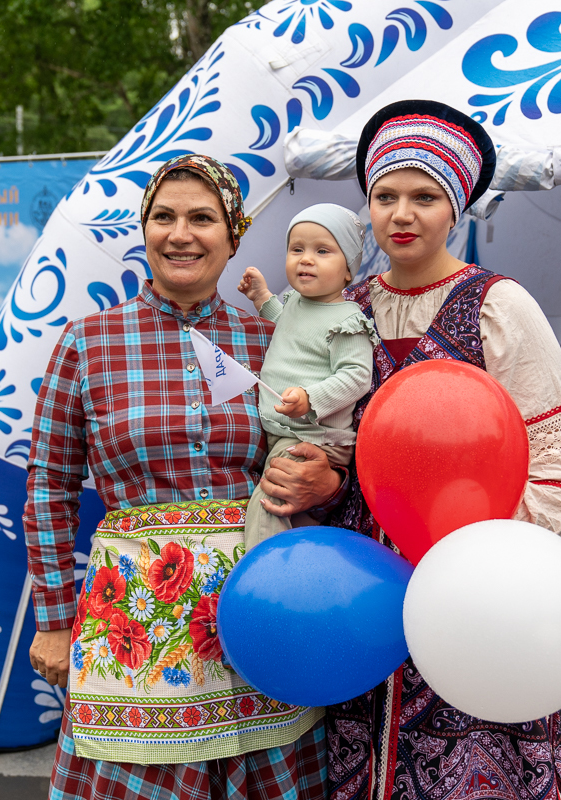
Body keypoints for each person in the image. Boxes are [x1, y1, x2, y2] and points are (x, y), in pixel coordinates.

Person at [23, 154, 343, 800]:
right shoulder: (87, 343)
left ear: (232, 237)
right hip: (135, 634)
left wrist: (327, 479)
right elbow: (49, 485)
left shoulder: (272, 344)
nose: (180, 233)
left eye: (202, 218)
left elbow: (324, 452)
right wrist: (54, 619)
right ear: (144, 231)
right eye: (163, 217)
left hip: (258, 620)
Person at [324, 100, 561, 800]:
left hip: (476, 597)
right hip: (359, 594)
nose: (402, 214)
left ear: (458, 207)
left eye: (425, 197)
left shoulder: (500, 306)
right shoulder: (339, 310)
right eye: (385, 196)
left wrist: (478, 570)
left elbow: (553, 468)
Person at [236, 203, 375, 549]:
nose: (305, 259)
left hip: (316, 437)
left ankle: (258, 572)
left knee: (270, 501)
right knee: (297, 518)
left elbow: (357, 375)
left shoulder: (347, 318)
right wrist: (262, 298)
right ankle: (291, 570)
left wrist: (311, 398)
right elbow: (285, 322)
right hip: (286, 432)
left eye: (322, 251)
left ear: (348, 270)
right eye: (296, 249)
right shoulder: (296, 302)